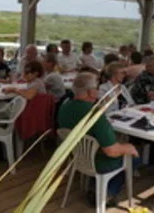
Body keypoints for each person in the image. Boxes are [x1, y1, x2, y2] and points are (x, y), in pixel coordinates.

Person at [58, 72, 138, 205]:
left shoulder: (65, 105)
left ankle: (94, 185)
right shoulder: (94, 113)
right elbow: (111, 151)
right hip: (97, 161)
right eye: (97, 87)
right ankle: (106, 193)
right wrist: (129, 148)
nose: (99, 90)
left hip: (76, 156)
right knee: (134, 158)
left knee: (112, 146)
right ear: (90, 92)